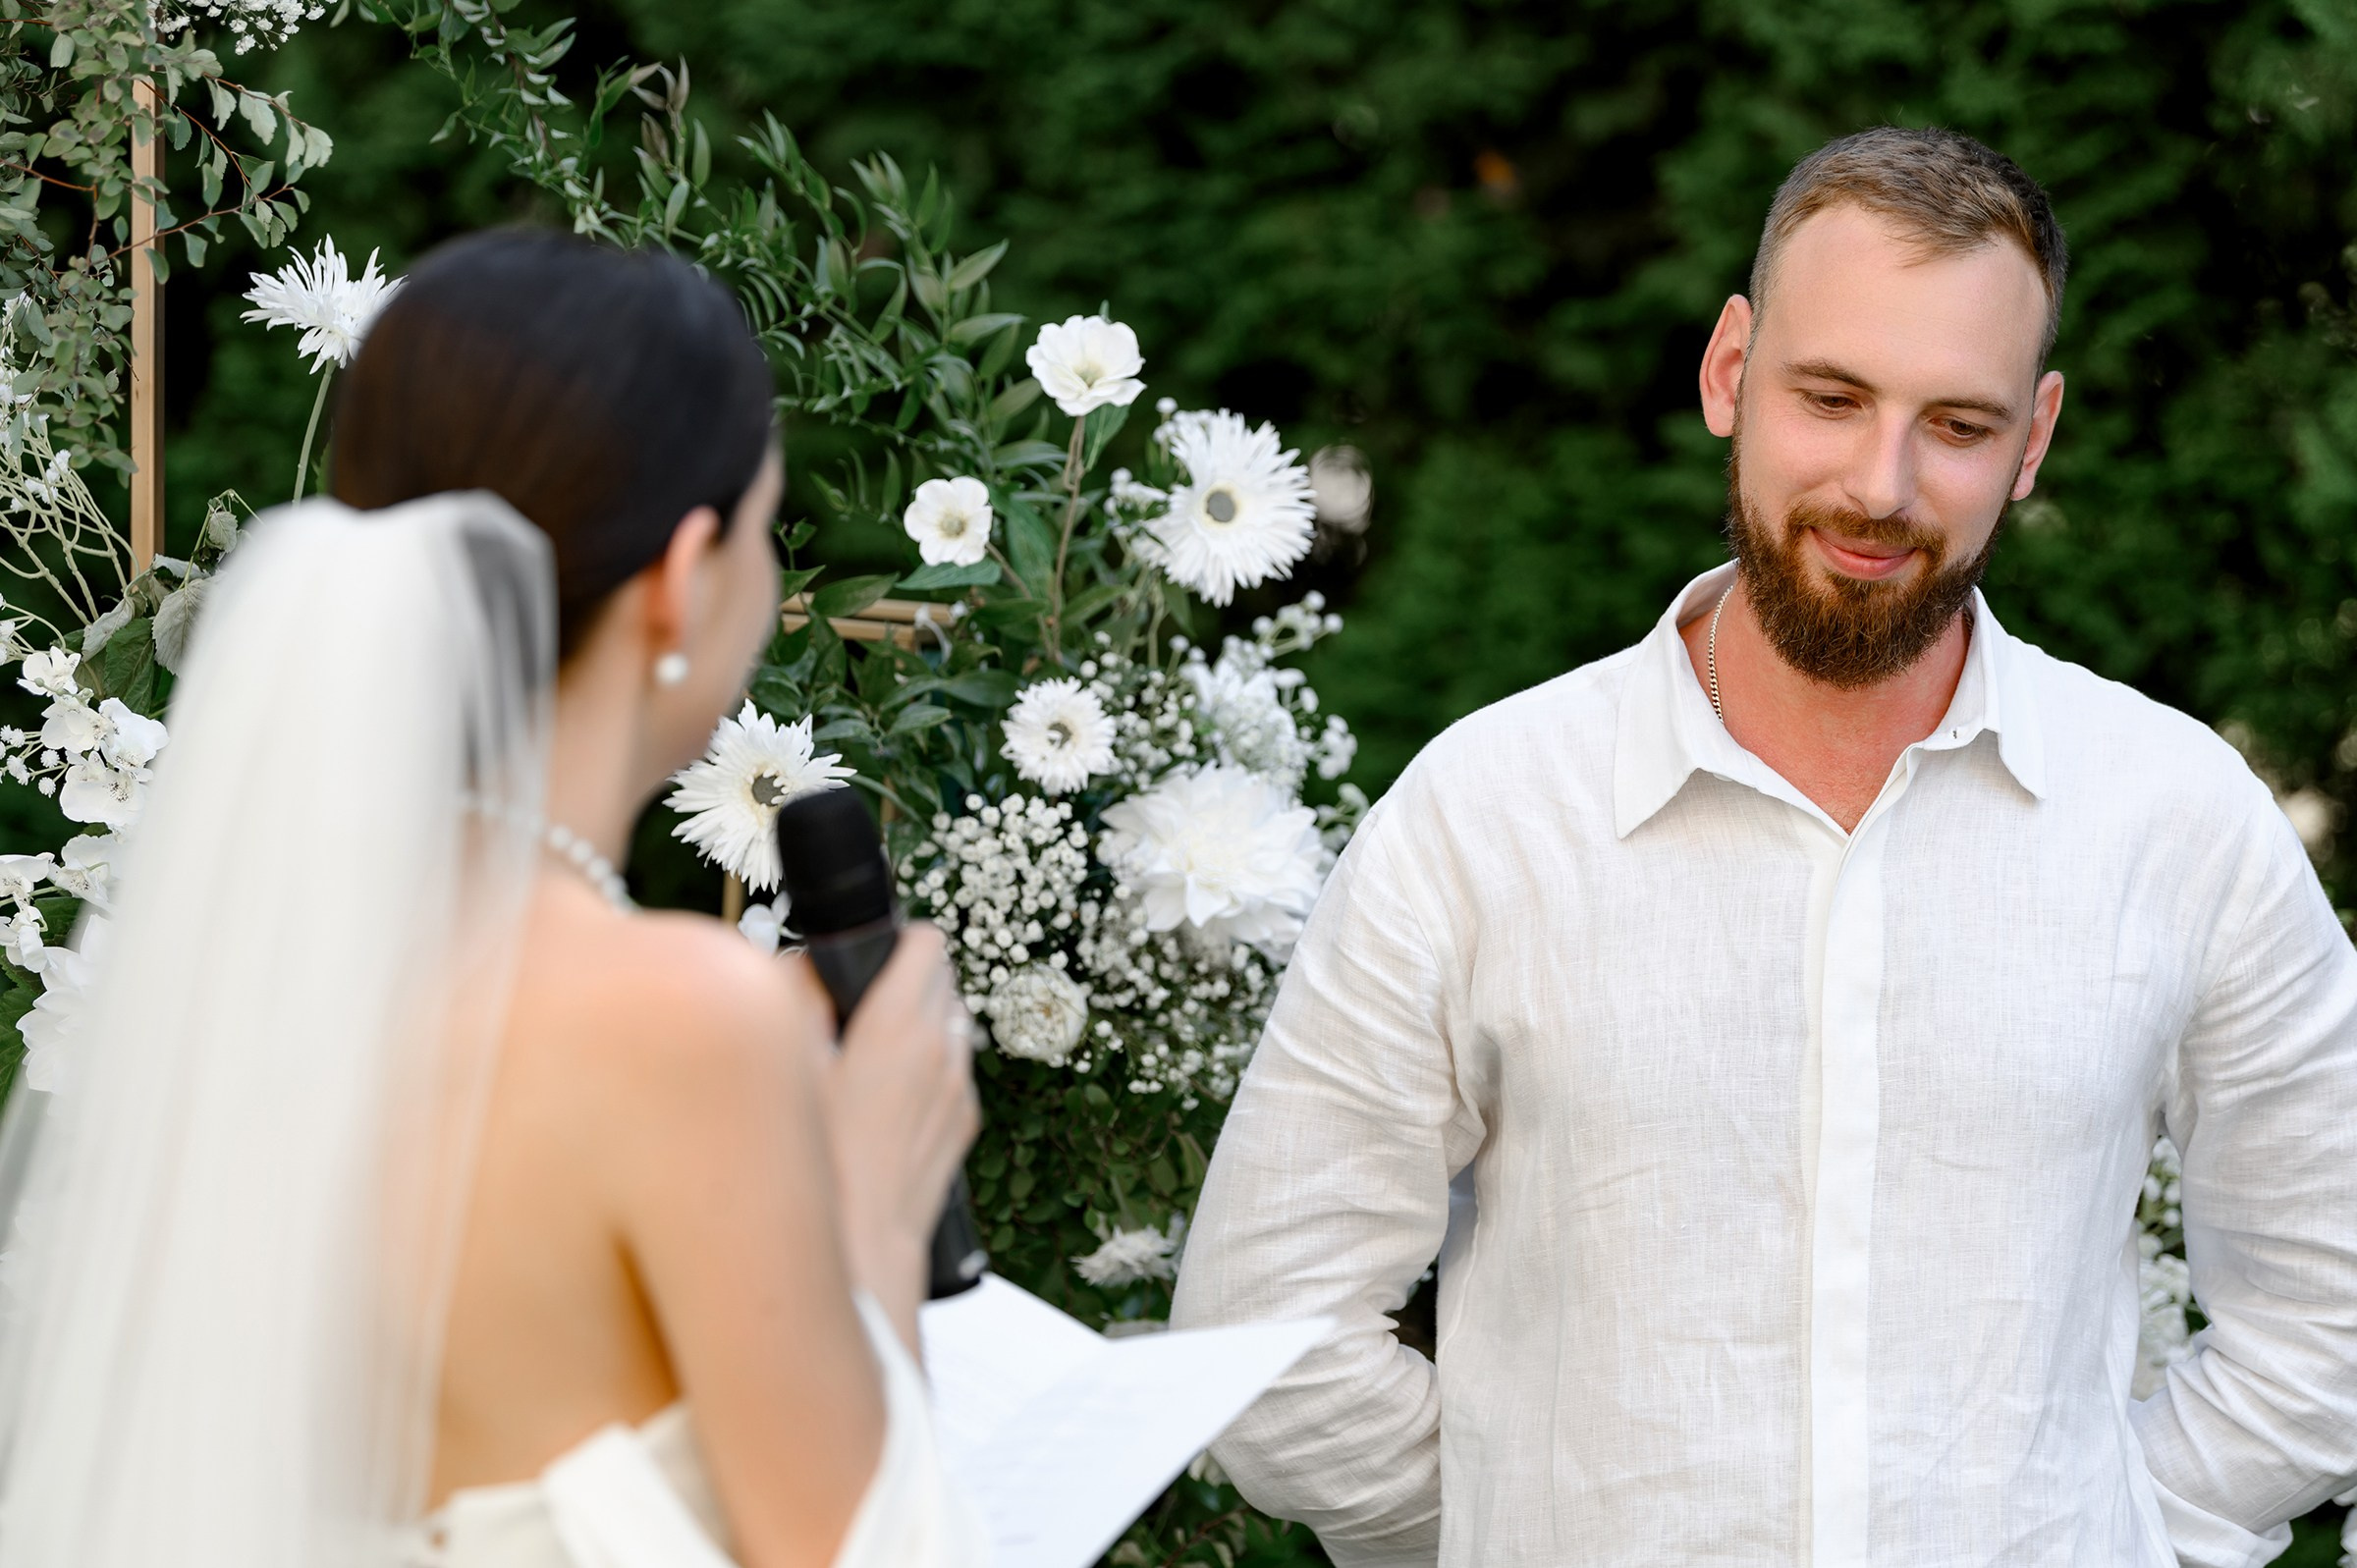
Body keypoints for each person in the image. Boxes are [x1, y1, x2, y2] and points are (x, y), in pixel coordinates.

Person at [1171, 126, 2357, 1566]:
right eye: (1833, 396)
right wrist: (1514, 1524)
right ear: (1731, 371)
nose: (1882, 483)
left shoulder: (2179, 819)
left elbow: (2335, 1303)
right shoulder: (1482, 815)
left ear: (2034, 439)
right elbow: (1268, 1328)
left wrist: (2117, 1531)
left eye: (1959, 425)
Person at [0, 231, 985, 1568]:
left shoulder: (230, 981)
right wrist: (872, 1188)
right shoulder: (681, 1016)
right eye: (765, 527)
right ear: (685, 578)